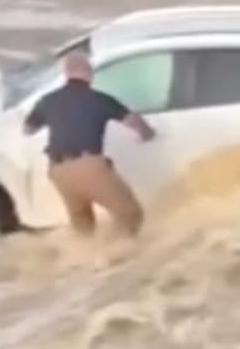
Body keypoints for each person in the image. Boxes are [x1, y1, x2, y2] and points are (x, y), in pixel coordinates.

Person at [23, 50, 156, 238]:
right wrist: (148, 135)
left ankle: (86, 259)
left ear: (67, 73)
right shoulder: (99, 99)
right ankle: (117, 255)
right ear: (89, 72)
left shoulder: (48, 100)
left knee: (83, 226)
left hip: (59, 172)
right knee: (130, 214)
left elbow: (28, 129)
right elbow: (136, 124)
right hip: (89, 167)